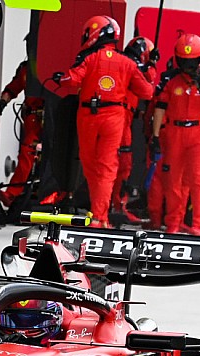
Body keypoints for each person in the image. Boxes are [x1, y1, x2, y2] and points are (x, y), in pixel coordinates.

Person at [56, 16, 153, 226]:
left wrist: (59, 78)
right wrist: (145, 71)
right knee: (107, 167)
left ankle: (98, 214)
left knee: (90, 166)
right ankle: (100, 216)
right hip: (115, 118)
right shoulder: (127, 63)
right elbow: (147, 91)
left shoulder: (88, 57)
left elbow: (71, 80)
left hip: (89, 115)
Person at [152, 34, 200, 235]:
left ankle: (199, 224)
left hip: (197, 132)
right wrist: (155, 136)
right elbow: (160, 108)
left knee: (198, 179)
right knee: (173, 180)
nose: (187, 66)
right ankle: (173, 222)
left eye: (191, 61)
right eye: (184, 61)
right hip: (174, 131)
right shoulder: (169, 78)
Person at [113, 36, 157, 223]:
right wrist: (153, 64)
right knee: (122, 164)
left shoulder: (121, 61)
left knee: (117, 164)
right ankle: (115, 205)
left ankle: (112, 204)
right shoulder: (134, 65)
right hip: (120, 118)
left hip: (121, 116)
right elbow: (148, 84)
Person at [0, 50, 45, 207]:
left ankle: (48, 193)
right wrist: (3, 101)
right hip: (32, 118)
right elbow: (13, 87)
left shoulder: (53, 65)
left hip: (52, 117)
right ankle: (12, 194)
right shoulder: (26, 68)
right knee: (26, 153)